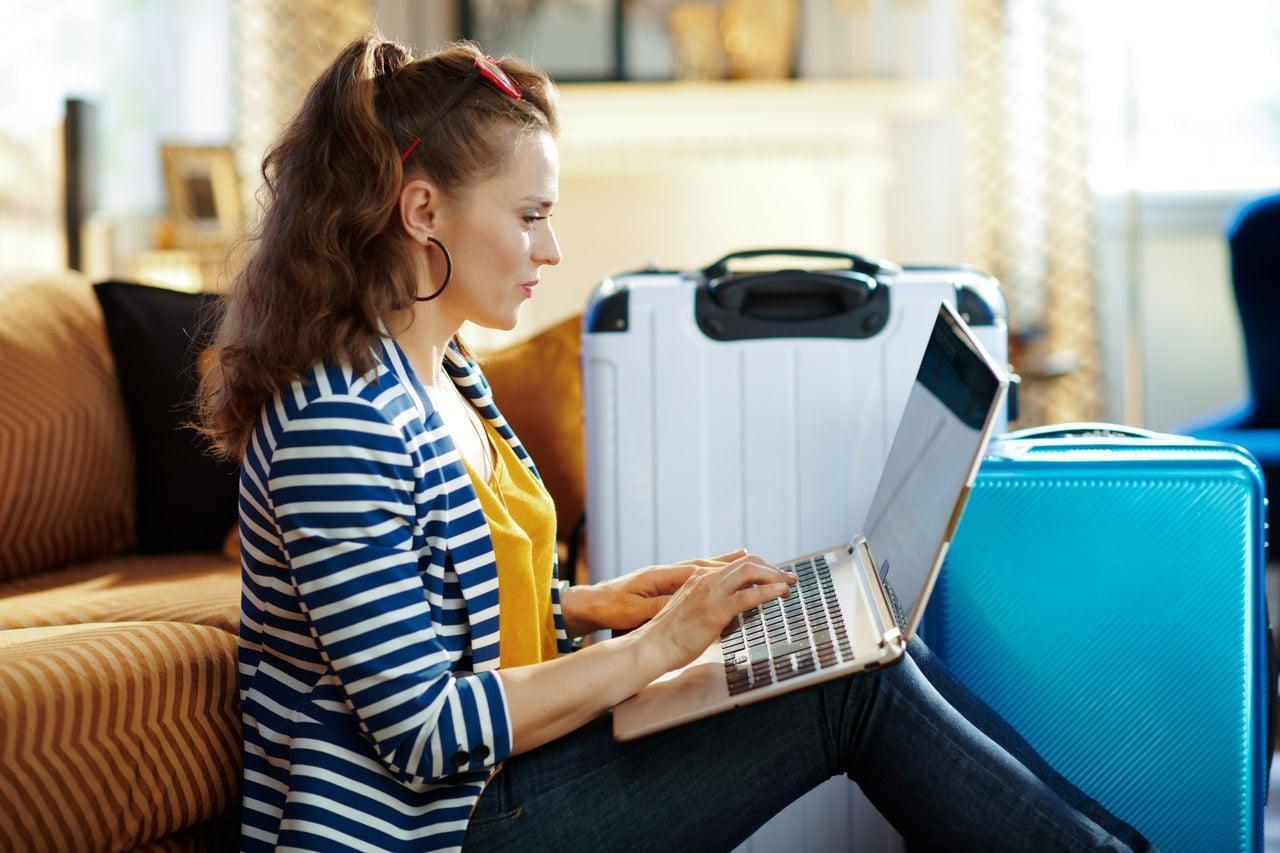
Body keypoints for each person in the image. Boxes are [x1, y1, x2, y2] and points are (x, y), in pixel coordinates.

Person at [197, 34, 1155, 853]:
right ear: (422, 212)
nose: (553, 250)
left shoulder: (440, 368)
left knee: (858, 653)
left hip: (497, 782)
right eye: (529, 217)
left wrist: (590, 604)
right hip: (442, 825)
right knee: (842, 690)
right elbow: (425, 729)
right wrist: (660, 647)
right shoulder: (337, 421)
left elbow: (435, 599)